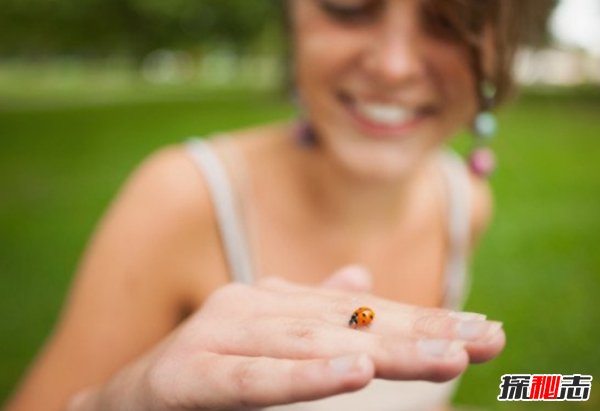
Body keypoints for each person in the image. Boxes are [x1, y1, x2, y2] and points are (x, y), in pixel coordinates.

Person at [4, 0, 554, 410]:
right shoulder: (178, 198)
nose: (394, 66)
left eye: (452, 18)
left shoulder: (466, 202)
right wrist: (120, 402)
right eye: (348, 6)